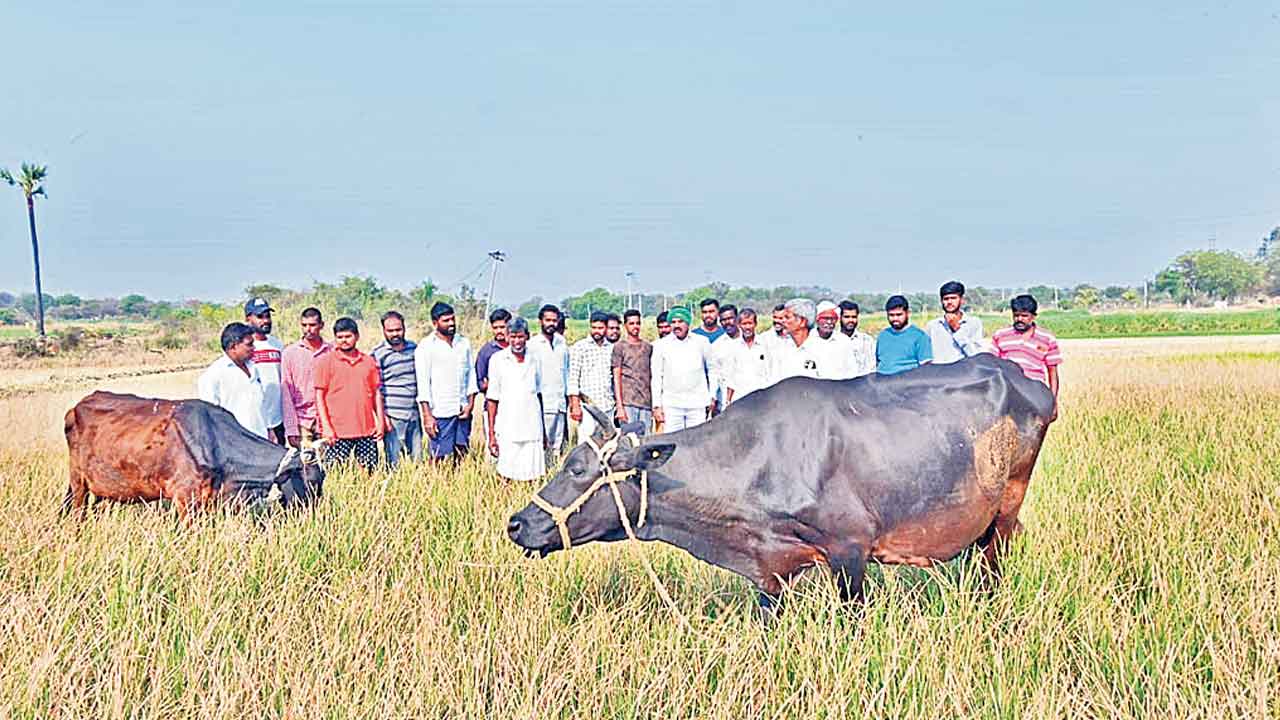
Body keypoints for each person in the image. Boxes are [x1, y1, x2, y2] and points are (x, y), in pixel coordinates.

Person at [314, 317, 385, 472]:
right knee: (335, 473)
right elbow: (319, 396)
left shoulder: (368, 362)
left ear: (357, 336)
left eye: (348, 336)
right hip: (337, 431)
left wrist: (380, 421)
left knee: (369, 473)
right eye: (340, 337)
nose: (344, 341)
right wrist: (326, 427)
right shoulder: (326, 362)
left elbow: (376, 393)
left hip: (366, 430)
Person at [485, 318, 548, 481]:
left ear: (527, 336)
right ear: (506, 337)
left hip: (532, 425)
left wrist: (544, 431)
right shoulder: (498, 360)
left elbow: (538, 394)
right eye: (513, 337)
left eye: (520, 337)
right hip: (508, 425)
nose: (517, 341)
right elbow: (492, 398)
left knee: (533, 475)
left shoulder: (536, 359)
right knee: (506, 474)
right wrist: (491, 434)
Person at [415, 302, 477, 462]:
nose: (451, 323)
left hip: (462, 410)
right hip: (441, 411)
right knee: (439, 457)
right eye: (446, 320)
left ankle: (459, 484)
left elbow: (471, 376)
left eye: (452, 319)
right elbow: (423, 385)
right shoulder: (426, 347)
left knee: (462, 452)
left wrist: (470, 404)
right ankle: (438, 484)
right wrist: (427, 416)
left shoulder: (463, 343)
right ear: (435, 323)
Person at [992, 294, 1062, 421]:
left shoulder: (1047, 338)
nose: (1019, 319)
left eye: (1024, 316)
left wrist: (1053, 402)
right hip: (1007, 393)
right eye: (1016, 315)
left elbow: (1052, 372)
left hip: (1035, 394)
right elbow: (991, 364)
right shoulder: (1001, 335)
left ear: (1033, 316)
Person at [198, 322, 269, 438]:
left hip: (262, 439)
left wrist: (269, 430)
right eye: (249, 344)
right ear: (233, 347)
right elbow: (210, 419)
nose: (254, 348)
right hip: (235, 443)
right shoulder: (213, 376)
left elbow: (260, 404)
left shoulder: (253, 367)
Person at [371, 310, 421, 466]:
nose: (395, 334)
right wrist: (383, 418)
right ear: (384, 331)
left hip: (414, 414)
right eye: (390, 330)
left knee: (417, 461)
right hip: (393, 416)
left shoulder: (415, 349)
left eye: (398, 329)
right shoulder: (378, 354)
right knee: (394, 464)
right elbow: (375, 389)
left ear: (404, 328)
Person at [650, 306, 713, 431]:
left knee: (697, 441)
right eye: (673, 322)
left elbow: (713, 369)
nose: (676, 325)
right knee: (671, 443)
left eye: (680, 322)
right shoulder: (661, 345)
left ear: (688, 323)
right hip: (671, 404)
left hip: (697, 403)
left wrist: (711, 396)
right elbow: (657, 376)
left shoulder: (701, 342)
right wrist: (657, 405)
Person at [281, 307, 333, 448]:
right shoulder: (290, 353)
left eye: (312, 325)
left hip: (328, 420)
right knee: (306, 465)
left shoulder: (332, 351)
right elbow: (286, 393)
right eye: (304, 325)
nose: (308, 329)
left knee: (331, 465)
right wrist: (291, 429)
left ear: (321, 325)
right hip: (302, 421)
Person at [769, 298, 847, 382]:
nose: (782, 321)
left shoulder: (824, 350)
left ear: (802, 322)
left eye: (787, 317)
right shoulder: (779, 349)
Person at [529, 304, 570, 457]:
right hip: (543, 404)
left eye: (554, 320)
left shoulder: (562, 343)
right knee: (541, 444)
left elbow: (566, 373)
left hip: (560, 404)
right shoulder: (532, 345)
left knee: (557, 447)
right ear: (540, 321)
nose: (551, 324)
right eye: (548, 320)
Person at [244, 297, 286, 443]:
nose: (266, 320)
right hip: (256, 420)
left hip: (278, 419)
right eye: (260, 317)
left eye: (268, 316)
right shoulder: (245, 347)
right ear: (248, 318)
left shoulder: (277, 345)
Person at [568, 310, 615, 441]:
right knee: (587, 441)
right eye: (594, 327)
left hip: (607, 403)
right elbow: (573, 378)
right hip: (587, 404)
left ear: (606, 328)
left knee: (607, 442)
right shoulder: (580, 347)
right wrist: (575, 405)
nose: (596, 331)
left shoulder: (611, 348)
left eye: (600, 328)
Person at [474, 308, 511, 462]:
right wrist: (492, 385)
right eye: (495, 328)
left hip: (515, 406)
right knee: (494, 445)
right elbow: (479, 381)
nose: (499, 331)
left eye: (502, 327)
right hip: (493, 407)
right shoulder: (487, 352)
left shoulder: (518, 347)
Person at [611, 309, 653, 430]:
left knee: (645, 441)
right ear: (625, 325)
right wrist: (620, 407)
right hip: (628, 403)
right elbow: (616, 377)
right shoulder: (620, 347)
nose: (635, 326)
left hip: (645, 402)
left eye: (638, 323)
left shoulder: (648, 347)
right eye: (632, 323)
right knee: (629, 441)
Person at [926, 280, 987, 364]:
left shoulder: (974, 323)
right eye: (946, 299)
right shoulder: (933, 326)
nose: (949, 302)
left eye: (953, 298)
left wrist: (957, 329)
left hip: (965, 373)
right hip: (939, 373)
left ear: (962, 300)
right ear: (941, 301)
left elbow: (976, 356)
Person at [876, 295, 933, 375]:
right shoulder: (883, 335)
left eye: (899, 315)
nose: (895, 319)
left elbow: (926, 368)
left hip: (906, 383)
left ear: (907, 313)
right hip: (881, 381)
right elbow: (878, 362)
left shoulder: (919, 336)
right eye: (891, 315)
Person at [725, 308, 770, 404]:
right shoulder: (733, 346)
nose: (747, 327)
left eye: (750, 323)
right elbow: (730, 376)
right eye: (744, 324)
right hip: (739, 398)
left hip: (761, 398)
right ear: (739, 325)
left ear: (755, 324)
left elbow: (770, 373)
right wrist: (728, 401)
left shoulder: (766, 345)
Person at [708, 303, 741, 413]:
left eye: (730, 318)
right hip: (726, 403)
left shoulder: (751, 341)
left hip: (751, 398)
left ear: (737, 319)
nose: (727, 323)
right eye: (723, 320)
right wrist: (712, 397)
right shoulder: (716, 346)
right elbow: (714, 374)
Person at [814, 300, 857, 379]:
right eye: (825, 318)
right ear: (817, 319)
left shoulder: (844, 341)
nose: (829, 322)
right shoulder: (808, 340)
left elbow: (852, 371)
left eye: (833, 319)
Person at [838, 300, 877, 377]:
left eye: (854, 317)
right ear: (840, 318)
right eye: (847, 317)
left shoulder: (867, 341)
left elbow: (872, 368)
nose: (851, 320)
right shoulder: (833, 341)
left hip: (862, 385)